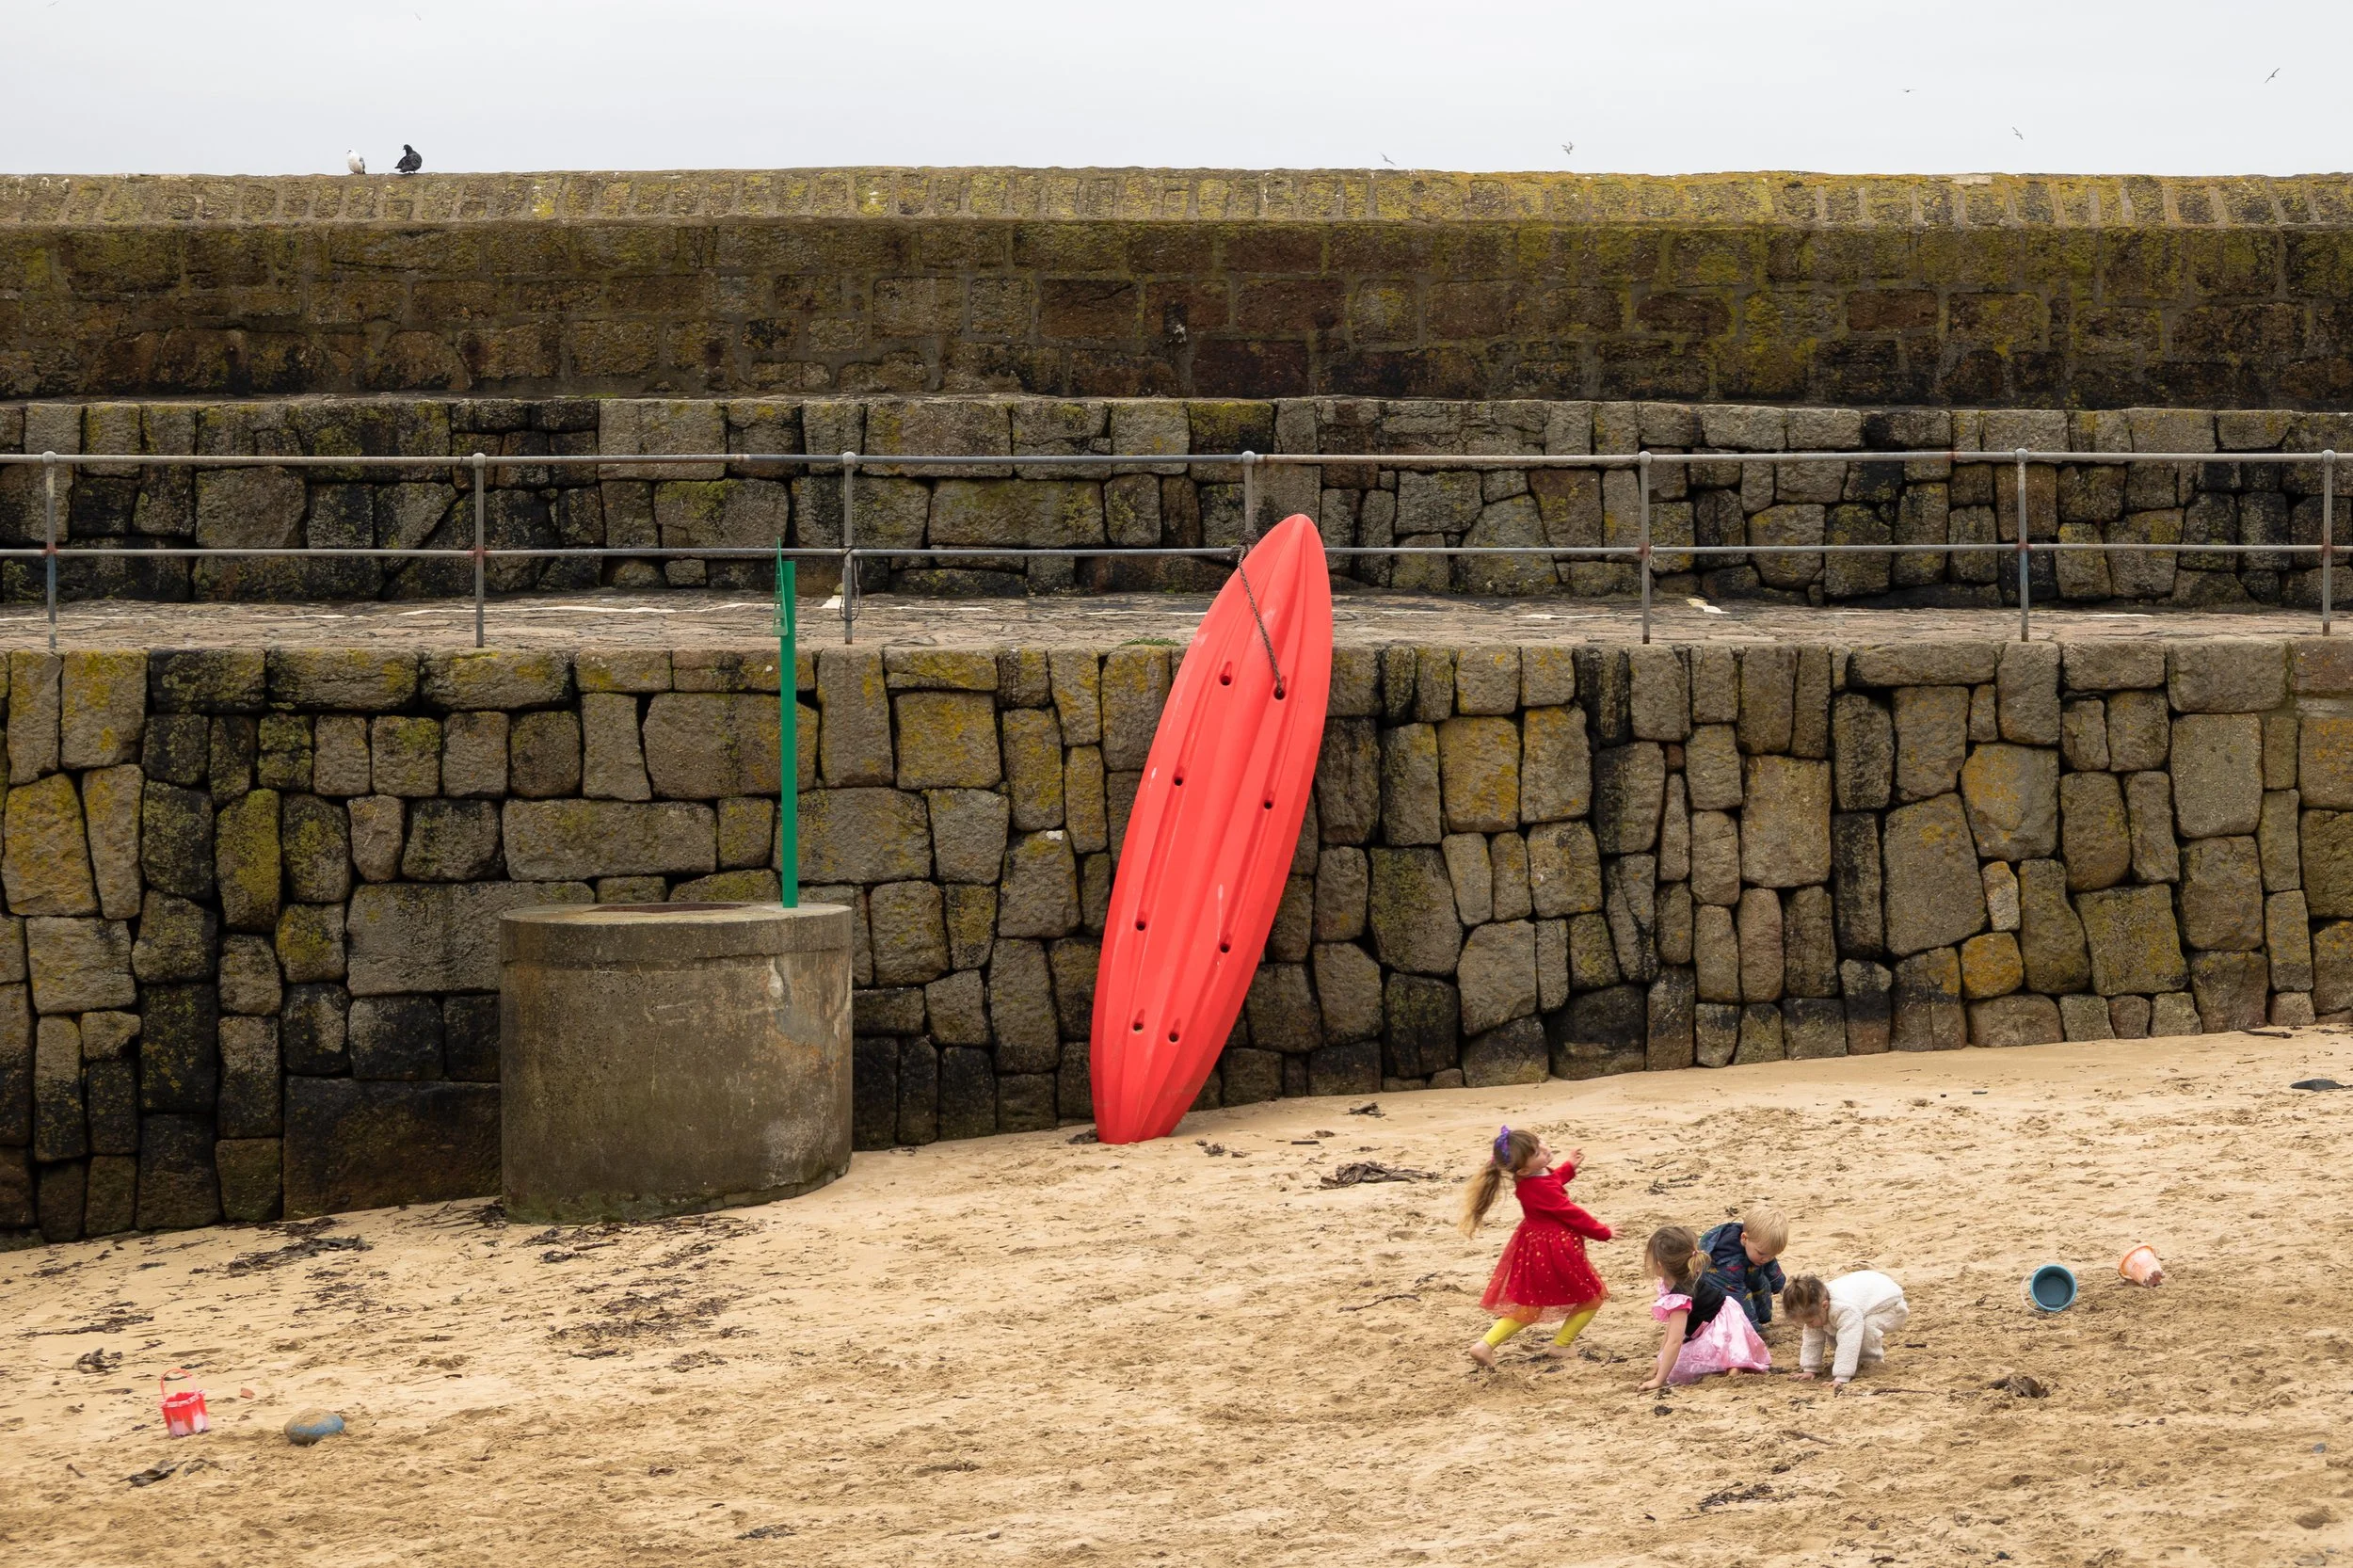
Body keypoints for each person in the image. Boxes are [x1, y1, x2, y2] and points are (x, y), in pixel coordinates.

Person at [1460, 1127, 1611, 1368]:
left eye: (1541, 1143)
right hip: (1555, 1251)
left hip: (1535, 1249)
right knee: (1591, 1297)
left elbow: (1550, 1180)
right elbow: (1571, 1213)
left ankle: (1484, 1345)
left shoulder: (1529, 1178)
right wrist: (1604, 1232)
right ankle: (1561, 1345)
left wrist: (1569, 1167)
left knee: (1530, 1307)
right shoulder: (1539, 1187)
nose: (1546, 1149)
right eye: (1538, 1152)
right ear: (1523, 1169)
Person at [1638, 1224, 1771, 1389]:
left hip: (1722, 1326)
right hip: (1722, 1318)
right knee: (1674, 1360)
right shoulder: (1681, 1278)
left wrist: (1659, 1380)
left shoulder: (1680, 1295)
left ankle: (1732, 1366)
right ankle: (1732, 1364)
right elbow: (1671, 1331)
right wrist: (1660, 1360)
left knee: (1681, 1367)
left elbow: (1675, 1341)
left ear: (1659, 1265)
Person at [1784, 1271, 1910, 1393]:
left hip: (1890, 1306)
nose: (1808, 1326)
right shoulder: (1816, 1307)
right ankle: (1856, 1362)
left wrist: (1841, 1377)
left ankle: (1870, 1362)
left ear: (1825, 1306)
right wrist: (1809, 1369)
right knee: (1831, 1331)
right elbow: (1812, 1340)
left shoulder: (1844, 1309)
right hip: (1864, 1297)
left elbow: (1849, 1342)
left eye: (1809, 1321)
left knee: (1864, 1329)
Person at [1701, 1205, 1789, 1327]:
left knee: (1760, 1284)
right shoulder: (1728, 1262)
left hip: (1745, 1273)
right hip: (1720, 1287)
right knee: (1734, 1311)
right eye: (1762, 1254)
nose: (1767, 1259)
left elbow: (1772, 1268)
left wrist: (1784, 1290)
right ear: (1744, 1238)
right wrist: (1753, 1329)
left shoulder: (1760, 1249)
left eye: (1773, 1254)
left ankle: (1760, 1318)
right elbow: (1739, 1298)